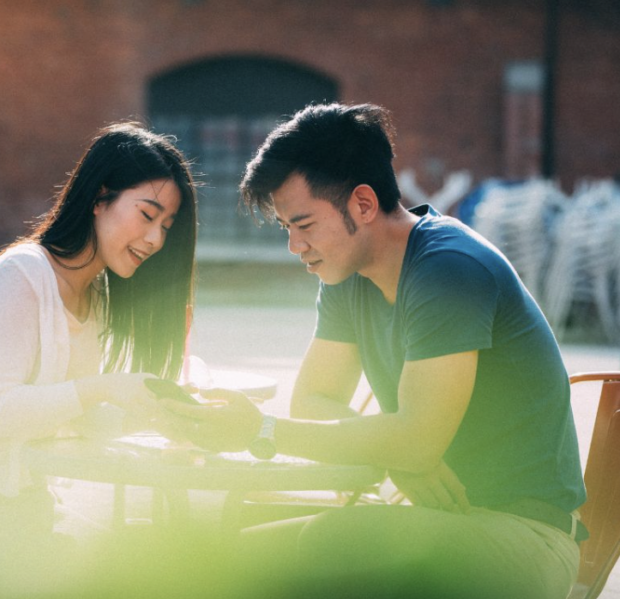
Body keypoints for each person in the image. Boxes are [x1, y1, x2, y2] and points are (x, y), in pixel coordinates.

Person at [164, 103, 586, 599]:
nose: (294, 246)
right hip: (433, 525)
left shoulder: (448, 267)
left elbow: (415, 440)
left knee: (272, 556)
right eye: (285, 228)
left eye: (305, 224)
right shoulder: (347, 275)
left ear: (363, 205)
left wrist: (261, 429)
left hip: (524, 539)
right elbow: (314, 401)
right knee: (229, 549)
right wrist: (402, 453)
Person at [0, 122, 198, 598]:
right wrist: (103, 388)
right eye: (147, 214)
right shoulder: (22, 273)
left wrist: (159, 413)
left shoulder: (94, 296)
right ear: (99, 197)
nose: (156, 239)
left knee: (159, 558)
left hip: (21, 522)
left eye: (166, 226)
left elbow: (72, 417)